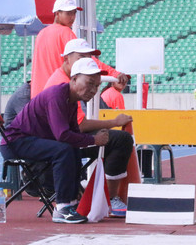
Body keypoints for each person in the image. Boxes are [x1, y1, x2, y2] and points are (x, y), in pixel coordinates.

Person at [0, 58, 109, 224]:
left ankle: (71, 203)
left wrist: (90, 140)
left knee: (71, 148)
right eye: (89, 83)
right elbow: (63, 135)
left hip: (29, 139)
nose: (93, 90)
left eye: (96, 85)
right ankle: (63, 206)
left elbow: (72, 133)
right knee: (63, 149)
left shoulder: (71, 101)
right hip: (15, 142)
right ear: (73, 79)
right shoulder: (57, 96)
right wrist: (94, 139)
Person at [44, 38, 133, 217]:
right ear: (66, 60)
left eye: (89, 57)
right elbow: (80, 126)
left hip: (58, 138)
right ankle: (109, 198)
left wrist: (115, 74)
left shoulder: (67, 78)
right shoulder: (62, 85)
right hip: (55, 142)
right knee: (120, 140)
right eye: (81, 57)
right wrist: (113, 123)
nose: (87, 61)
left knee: (110, 138)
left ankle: (96, 195)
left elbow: (76, 126)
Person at [30, 0, 128, 98]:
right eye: (68, 13)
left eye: (74, 13)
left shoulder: (41, 34)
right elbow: (86, 61)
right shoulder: (65, 32)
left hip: (38, 96)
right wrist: (114, 73)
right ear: (57, 14)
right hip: (58, 93)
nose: (72, 17)